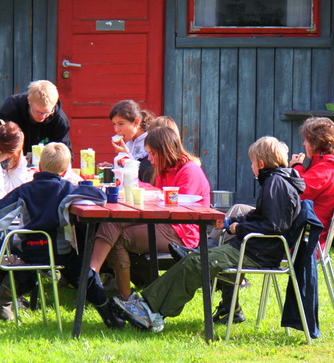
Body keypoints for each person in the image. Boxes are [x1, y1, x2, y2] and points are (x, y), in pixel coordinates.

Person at [110, 136, 305, 332]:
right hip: (255, 249)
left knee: (197, 262)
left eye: (252, 162)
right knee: (195, 258)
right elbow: (263, 217)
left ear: (261, 163)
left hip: (257, 253)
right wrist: (234, 221)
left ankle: (150, 310)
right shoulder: (277, 180)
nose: (251, 166)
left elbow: (273, 226)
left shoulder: (275, 183)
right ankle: (151, 308)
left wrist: (239, 228)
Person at [0, 142, 123, 327]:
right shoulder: (66, 189)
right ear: (66, 169)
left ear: (40, 166)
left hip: (29, 250)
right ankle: (109, 317)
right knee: (85, 275)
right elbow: (100, 197)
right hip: (58, 251)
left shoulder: (25, 189)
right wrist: (77, 186)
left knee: (31, 269)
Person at [90, 126, 210, 302]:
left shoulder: (188, 171)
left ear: (165, 151)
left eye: (153, 154)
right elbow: (158, 196)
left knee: (120, 237)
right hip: (161, 221)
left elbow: (180, 211)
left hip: (181, 231)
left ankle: (124, 297)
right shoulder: (165, 168)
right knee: (112, 221)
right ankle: (93, 274)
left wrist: (151, 196)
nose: (150, 160)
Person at [288, 117, 334, 251]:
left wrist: (295, 168)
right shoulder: (333, 168)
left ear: (316, 143)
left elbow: (296, 193)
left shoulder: (325, 172)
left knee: (241, 233)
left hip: (300, 244)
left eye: (307, 140)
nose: (304, 144)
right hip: (311, 239)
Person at [0, 80, 72, 158]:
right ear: (29, 101)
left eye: (47, 113)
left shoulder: (59, 120)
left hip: (45, 166)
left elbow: (65, 155)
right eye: (38, 112)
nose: (43, 116)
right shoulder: (11, 108)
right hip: (10, 160)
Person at [108, 100, 155, 183]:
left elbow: (144, 174)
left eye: (121, 124)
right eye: (114, 124)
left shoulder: (151, 142)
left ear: (136, 122)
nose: (116, 130)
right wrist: (113, 167)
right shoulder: (129, 142)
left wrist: (126, 155)